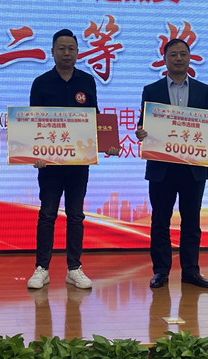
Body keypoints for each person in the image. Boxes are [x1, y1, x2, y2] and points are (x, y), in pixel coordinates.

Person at [26, 29, 118, 290]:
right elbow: (33, 122)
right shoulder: (41, 82)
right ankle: (42, 268)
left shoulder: (86, 81)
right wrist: (36, 154)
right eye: (62, 48)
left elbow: (95, 118)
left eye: (71, 49)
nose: (66, 53)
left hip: (78, 162)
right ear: (52, 52)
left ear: (78, 53)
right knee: (47, 214)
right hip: (50, 164)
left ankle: (74, 268)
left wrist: (108, 143)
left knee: (76, 215)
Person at [135, 38, 208, 289]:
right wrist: (141, 132)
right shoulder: (152, 90)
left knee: (191, 222)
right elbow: (143, 124)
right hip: (162, 168)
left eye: (183, 54)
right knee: (160, 221)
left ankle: (190, 271)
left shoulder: (203, 90)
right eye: (173, 55)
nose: (179, 58)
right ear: (165, 59)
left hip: (193, 168)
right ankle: (161, 271)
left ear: (190, 58)